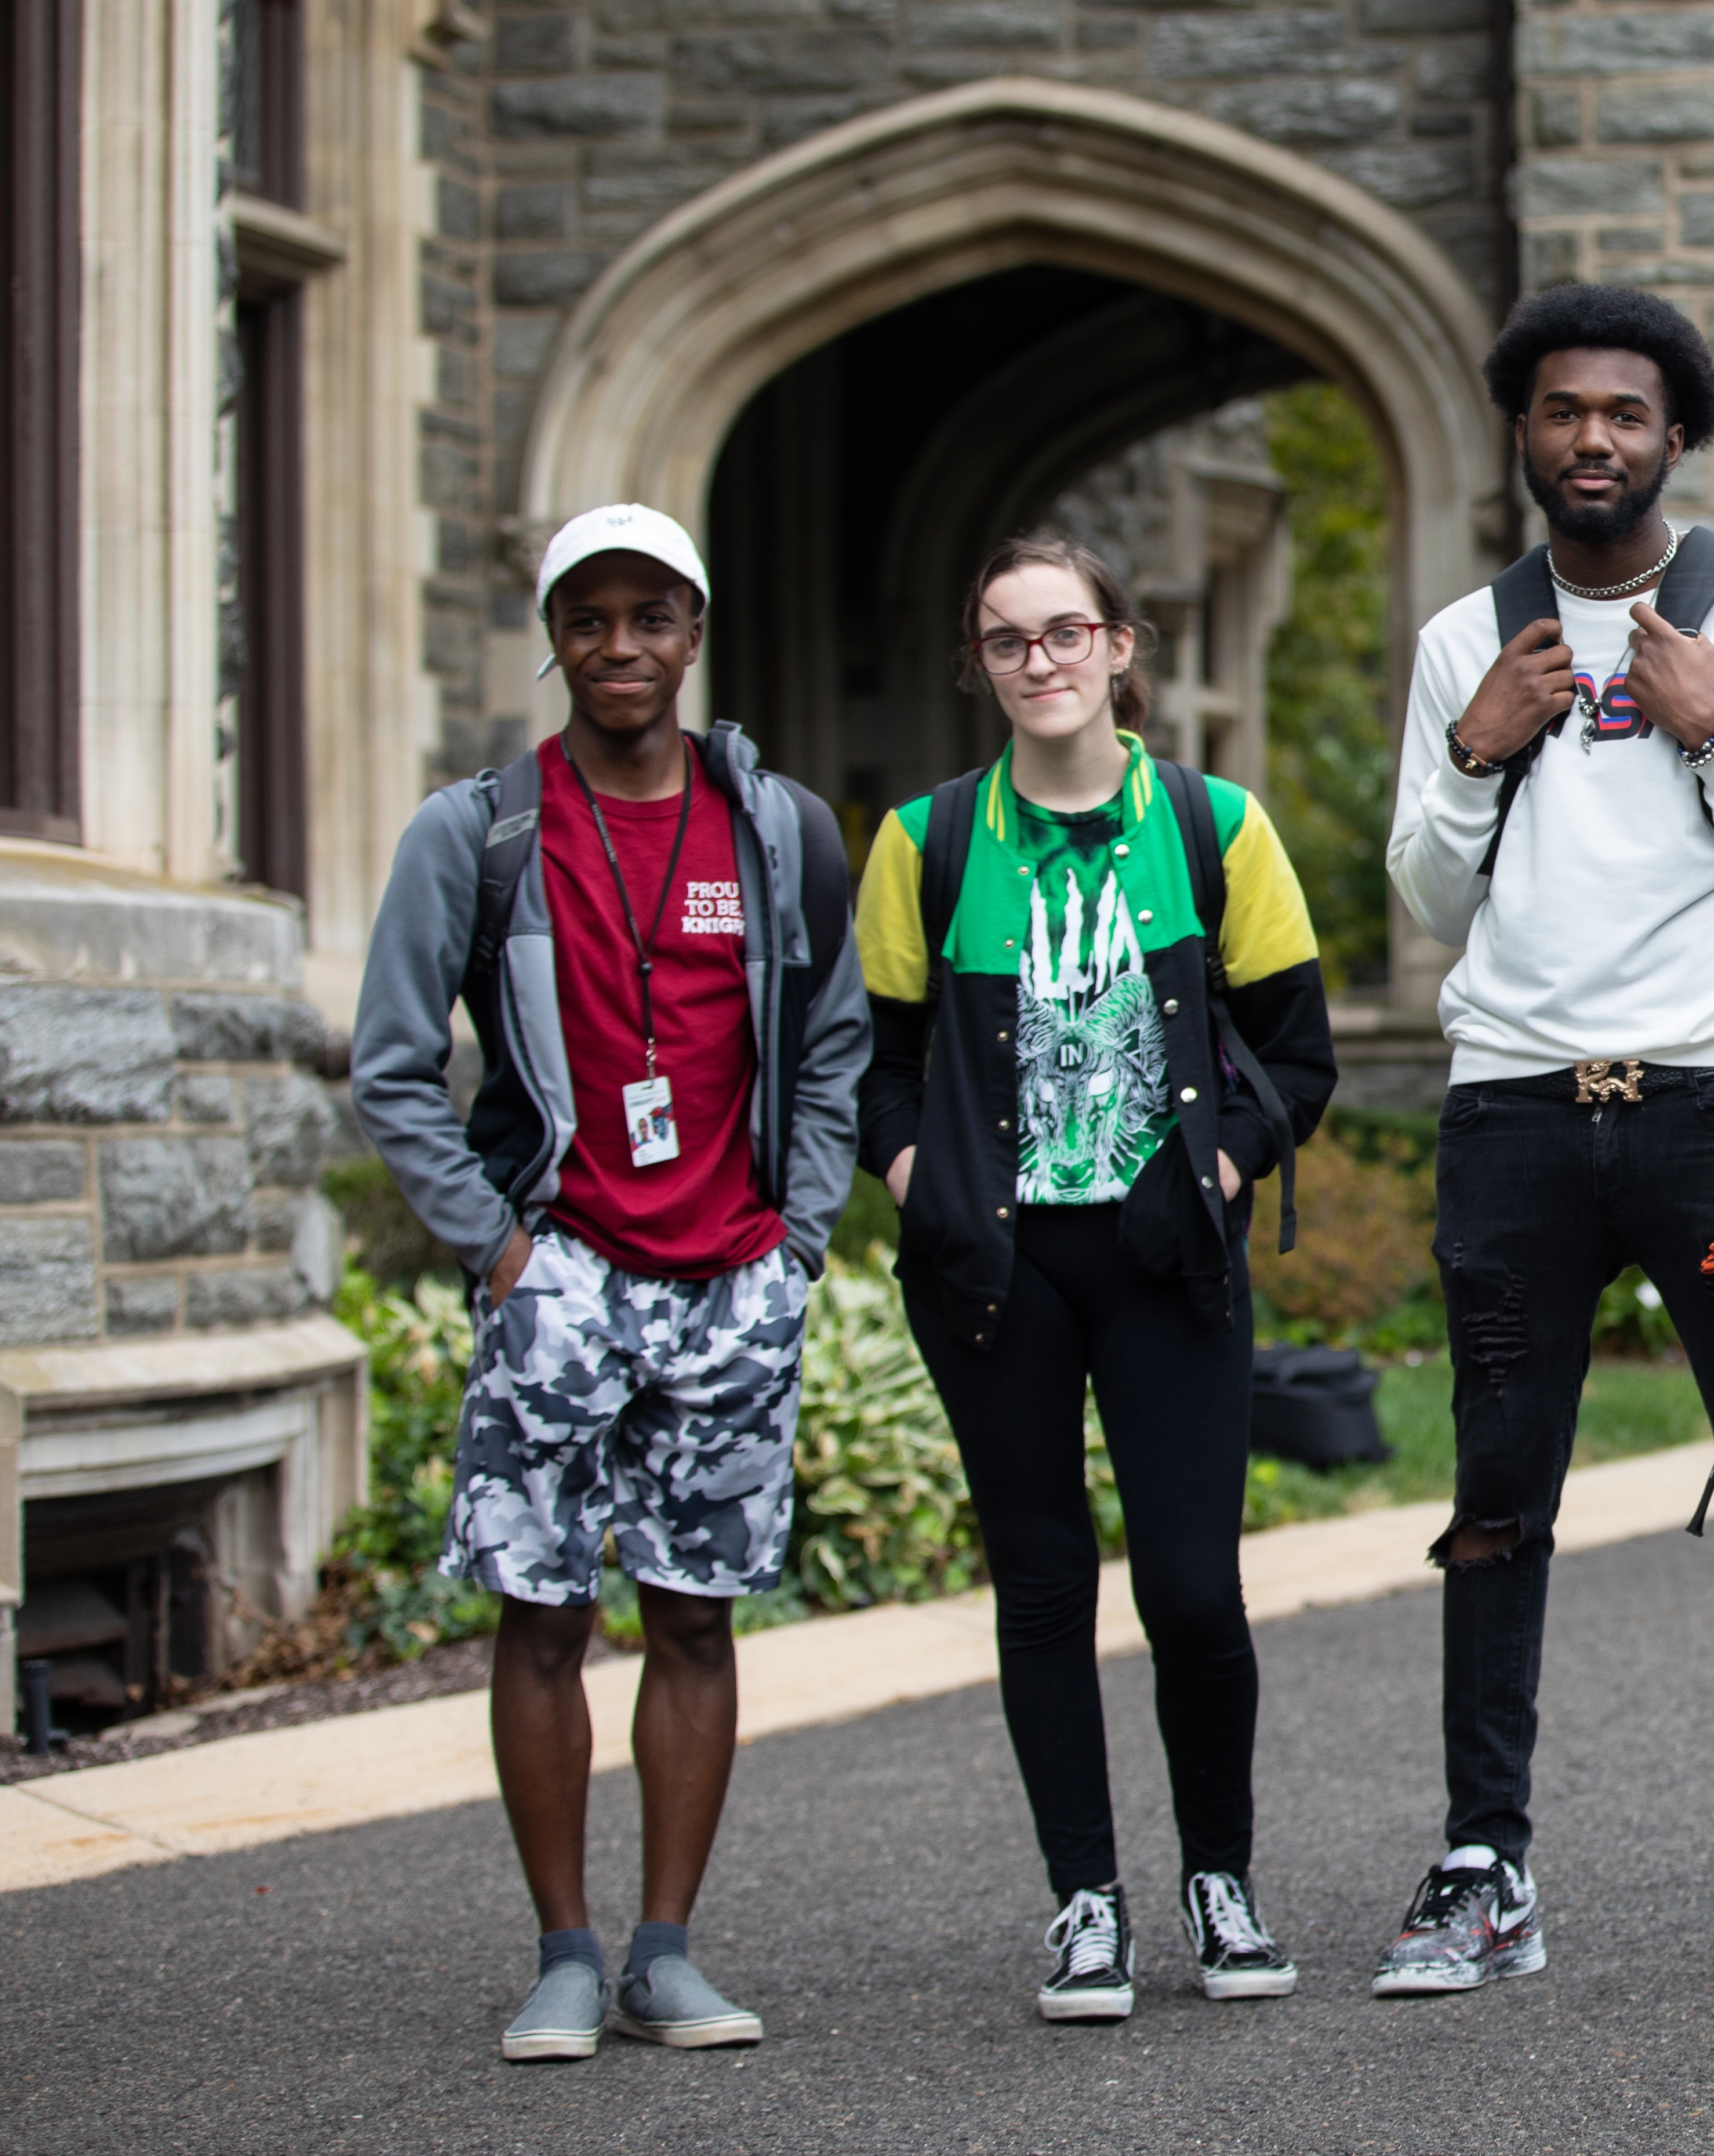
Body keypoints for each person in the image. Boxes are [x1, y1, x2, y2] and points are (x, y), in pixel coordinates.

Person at [1379, 282, 1714, 2000]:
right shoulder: (1473, 641)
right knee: (1494, 1495)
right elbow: (1428, 895)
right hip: (1518, 1118)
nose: (1591, 439)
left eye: (1624, 414)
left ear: (1677, 436)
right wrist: (1479, 748)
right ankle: (1483, 1868)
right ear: (1523, 436)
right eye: (1559, 413)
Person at [351, 503, 869, 2064]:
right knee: (542, 1618)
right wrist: (500, 1250)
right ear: (555, 639)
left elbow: (835, 1043)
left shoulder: (777, 830)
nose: (623, 648)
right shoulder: (478, 832)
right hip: (560, 1274)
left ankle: (666, 1955)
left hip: (732, 1282)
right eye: (592, 620)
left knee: (697, 1622)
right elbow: (391, 1069)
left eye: (654, 618)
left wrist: (798, 1242)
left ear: (694, 635)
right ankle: (563, 1956)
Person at [855, 536, 1338, 2023]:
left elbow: (1300, 1055)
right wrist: (923, 1190)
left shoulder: (1215, 826)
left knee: (1195, 1590)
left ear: (1121, 645)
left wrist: (1218, 1168)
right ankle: (1084, 1901)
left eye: (1067, 631)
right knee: (1047, 1584)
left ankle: (1220, 1878)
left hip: (1166, 1254)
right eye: (1007, 641)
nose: (1041, 660)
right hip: (996, 1269)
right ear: (981, 667)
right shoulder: (925, 840)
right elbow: (872, 1073)